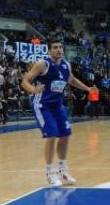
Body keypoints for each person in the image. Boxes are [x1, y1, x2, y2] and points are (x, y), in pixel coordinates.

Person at [21, 40, 99, 187]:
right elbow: (25, 81)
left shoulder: (66, 65)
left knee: (64, 135)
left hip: (58, 105)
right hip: (42, 105)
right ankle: (50, 173)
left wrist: (88, 89)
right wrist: (32, 90)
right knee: (51, 136)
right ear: (49, 50)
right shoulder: (43, 64)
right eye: (55, 47)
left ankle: (63, 170)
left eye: (61, 47)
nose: (59, 50)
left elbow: (72, 80)